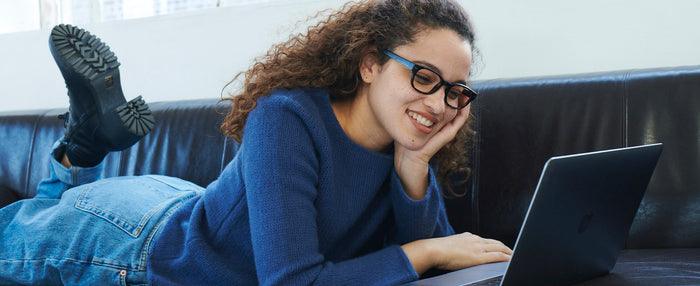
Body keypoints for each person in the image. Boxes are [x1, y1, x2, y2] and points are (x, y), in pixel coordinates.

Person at [0, 0, 513, 285]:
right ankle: (80, 150)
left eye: (454, 89)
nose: (439, 102)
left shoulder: (405, 145)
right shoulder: (287, 118)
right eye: (423, 76)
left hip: (182, 201)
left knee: (45, 207)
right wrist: (421, 251)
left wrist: (415, 162)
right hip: (133, 241)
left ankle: (82, 146)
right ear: (370, 63)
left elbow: (438, 272)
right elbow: (292, 282)